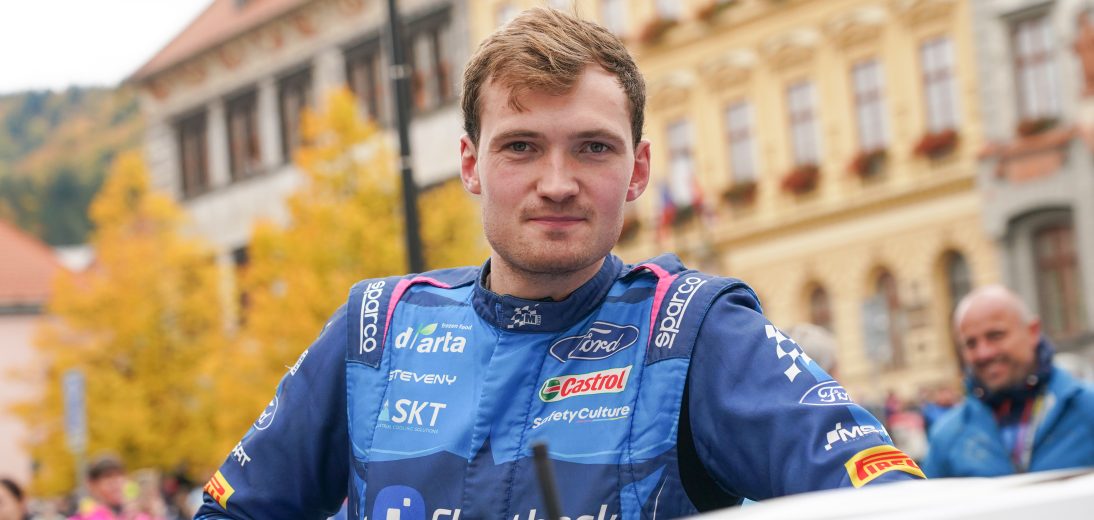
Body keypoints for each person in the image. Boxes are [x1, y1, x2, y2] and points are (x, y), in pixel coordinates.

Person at [195, 8, 922, 519]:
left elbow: (895, 504)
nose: (557, 183)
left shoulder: (692, 329)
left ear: (638, 170)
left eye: (593, 148)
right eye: (521, 146)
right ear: (470, 165)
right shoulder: (376, 327)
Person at [923, 285, 1094, 477]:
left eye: (995, 336)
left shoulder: (1087, 409)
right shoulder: (947, 436)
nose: (984, 353)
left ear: (1033, 331)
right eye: (971, 344)